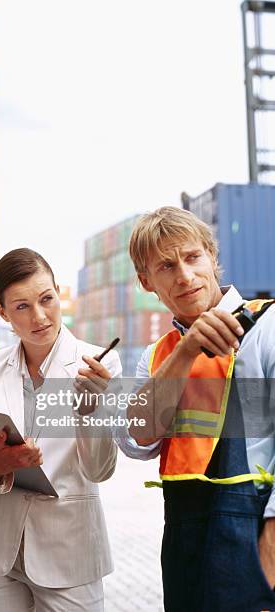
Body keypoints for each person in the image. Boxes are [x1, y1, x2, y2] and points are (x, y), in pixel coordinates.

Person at [114, 206, 275, 611]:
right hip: (186, 539)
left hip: (258, 532)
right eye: (166, 266)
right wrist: (186, 351)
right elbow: (138, 438)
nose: (184, 276)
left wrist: (272, 538)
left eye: (192, 257)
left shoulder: (268, 327)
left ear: (212, 257)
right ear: (146, 281)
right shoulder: (157, 356)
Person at [0, 248, 121, 612]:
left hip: (69, 553)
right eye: (21, 307)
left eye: (47, 299)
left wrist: (90, 411)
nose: (39, 316)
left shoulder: (100, 364)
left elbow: (100, 470)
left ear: (58, 293)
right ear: (2, 312)